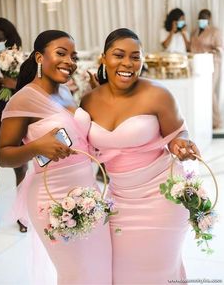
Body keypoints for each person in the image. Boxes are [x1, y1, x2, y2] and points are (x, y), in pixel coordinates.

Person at [81, 28, 200, 284]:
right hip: (119, 201)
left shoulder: (158, 94)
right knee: (121, 273)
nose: (127, 63)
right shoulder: (88, 101)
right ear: (104, 58)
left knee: (157, 273)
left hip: (161, 200)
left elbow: (180, 134)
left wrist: (182, 145)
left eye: (135, 56)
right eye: (119, 55)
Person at [0, 30, 112, 284]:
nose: (69, 61)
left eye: (74, 56)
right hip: (53, 196)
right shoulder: (22, 99)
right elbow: (4, 156)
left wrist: (100, 97)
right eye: (61, 53)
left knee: (101, 265)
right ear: (39, 57)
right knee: (77, 274)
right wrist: (37, 146)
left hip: (87, 189)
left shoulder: (65, 92)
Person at [0, 17, 28, 232]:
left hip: (15, 119)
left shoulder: (21, 62)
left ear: (8, 39)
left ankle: (23, 217)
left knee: (21, 168)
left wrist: (13, 84)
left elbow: (31, 91)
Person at [190, 9, 223, 129]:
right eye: (200, 17)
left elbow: (220, 48)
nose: (202, 20)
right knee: (200, 93)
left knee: (209, 91)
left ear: (209, 19)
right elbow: (192, 47)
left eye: (204, 17)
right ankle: (204, 120)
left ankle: (217, 121)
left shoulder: (215, 32)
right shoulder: (195, 32)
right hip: (197, 65)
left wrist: (208, 52)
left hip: (212, 64)